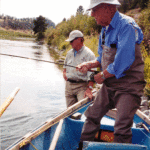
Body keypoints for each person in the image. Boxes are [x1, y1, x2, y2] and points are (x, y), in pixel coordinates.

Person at [76, 0, 146, 147]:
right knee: (92, 116)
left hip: (129, 87)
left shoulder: (126, 25)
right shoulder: (105, 29)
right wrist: (89, 64)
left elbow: (123, 61)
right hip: (110, 85)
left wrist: (102, 76)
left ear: (108, 7)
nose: (92, 14)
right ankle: (82, 147)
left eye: (95, 10)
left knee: (121, 127)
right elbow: (101, 58)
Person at [63, 30, 96, 108]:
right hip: (69, 86)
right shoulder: (69, 53)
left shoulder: (89, 54)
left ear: (79, 39)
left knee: (82, 109)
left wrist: (89, 89)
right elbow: (64, 68)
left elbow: (92, 73)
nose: (70, 43)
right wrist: (64, 74)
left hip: (82, 86)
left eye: (71, 41)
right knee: (69, 112)